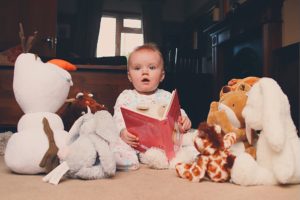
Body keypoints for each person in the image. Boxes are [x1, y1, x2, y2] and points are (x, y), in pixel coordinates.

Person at [113, 43, 192, 149]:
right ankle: (127, 159)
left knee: (188, 142)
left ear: (162, 76)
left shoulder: (166, 96)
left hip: (162, 143)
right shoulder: (126, 96)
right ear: (129, 76)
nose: (145, 72)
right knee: (116, 147)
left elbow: (177, 112)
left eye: (151, 67)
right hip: (134, 142)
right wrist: (122, 131)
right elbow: (117, 118)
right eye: (137, 68)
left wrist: (184, 120)